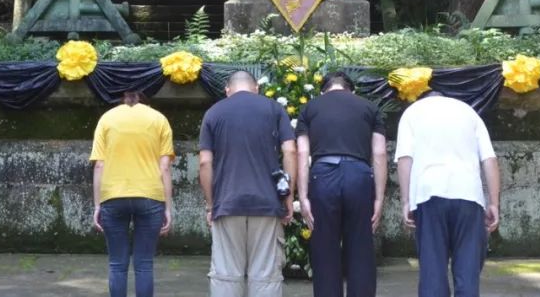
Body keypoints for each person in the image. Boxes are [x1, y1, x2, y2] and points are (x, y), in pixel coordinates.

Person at [199, 69, 296, 297]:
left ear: (227, 91)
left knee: (226, 273)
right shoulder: (274, 109)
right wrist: (288, 196)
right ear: (256, 88)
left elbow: (205, 162)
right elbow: (290, 151)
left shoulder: (214, 112)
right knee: (265, 273)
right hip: (267, 202)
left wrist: (211, 205)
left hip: (227, 202)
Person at [395, 90, 501, 297]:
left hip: (429, 195)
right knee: (468, 272)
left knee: (432, 272)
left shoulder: (412, 112)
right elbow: (489, 159)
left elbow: (404, 158)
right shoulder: (468, 112)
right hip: (469, 195)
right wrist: (494, 203)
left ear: (423, 98)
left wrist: (406, 201)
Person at [295, 70, 387, 297]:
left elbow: (302, 153)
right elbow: (380, 153)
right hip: (359, 175)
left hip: (323, 176)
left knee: (325, 249)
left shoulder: (310, 108)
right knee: (361, 249)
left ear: (323, 90)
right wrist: (379, 198)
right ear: (351, 90)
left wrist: (303, 197)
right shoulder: (369, 107)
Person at [91, 88, 175, 297]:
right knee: (144, 264)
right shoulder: (159, 119)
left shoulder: (107, 119)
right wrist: (168, 208)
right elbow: (164, 167)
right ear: (144, 99)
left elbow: (99, 166)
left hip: (113, 196)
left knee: (117, 264)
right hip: (150, 196)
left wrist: (97, 205)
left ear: (122, 98)